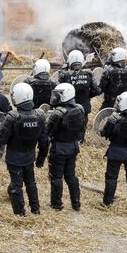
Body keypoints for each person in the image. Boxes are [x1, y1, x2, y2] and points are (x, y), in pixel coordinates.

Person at [0, 83, 48, 215]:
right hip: (30, 156)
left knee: (16, 186)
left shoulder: (13, 116)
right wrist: (41, 158)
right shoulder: (40, 115)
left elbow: (1, 139)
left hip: (14, 157)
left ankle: (20, 214)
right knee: (31, 182)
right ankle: (35, 210)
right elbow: (44, 141)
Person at [47, 83, 86, 211]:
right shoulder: (80, 109)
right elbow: (82, 129)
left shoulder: (58, 113)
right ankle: (76, 203)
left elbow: (48, 131)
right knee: (71, 176)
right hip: (73, 146)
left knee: (57, 177)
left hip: (59, 148)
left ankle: (56, 204)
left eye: (58, 95)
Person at [58, 50, 101, 125]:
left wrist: (64, 67)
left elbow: (59, 90)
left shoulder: (64, 75)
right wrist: (87, 95)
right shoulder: (88, 73)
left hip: (68, 109)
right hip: (84, 109)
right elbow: (96, 91)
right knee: (81, 131)